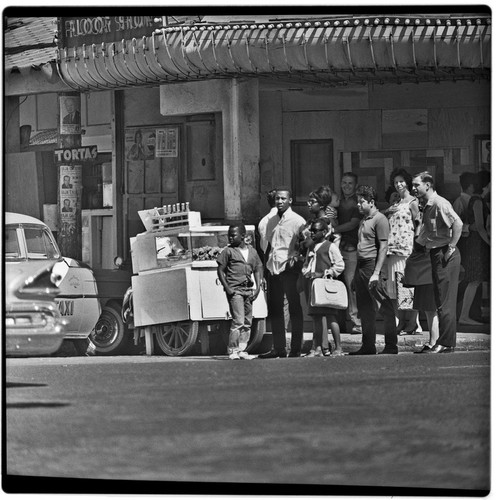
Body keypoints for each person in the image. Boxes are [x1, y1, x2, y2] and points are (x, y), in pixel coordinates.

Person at [412, 171, 463, 353]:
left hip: (445, 253)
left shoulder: (440, 203)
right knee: (440, 300)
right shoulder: (426, 205)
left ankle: (446, 343)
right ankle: (444, 342)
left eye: (416, 185)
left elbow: (458, 224)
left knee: (444, 302)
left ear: (427, 185)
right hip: (435, 252)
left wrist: (451, 248)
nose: (414, 188)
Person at [348, 185, 397, 355]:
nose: (358, 205)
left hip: (372, 265)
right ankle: (368, 345)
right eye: (358, 202)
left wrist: (376, 273)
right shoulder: (364, 220)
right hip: (361, 266)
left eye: (362, 202)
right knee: (365, 308)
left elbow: (383, 247)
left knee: (385, 306)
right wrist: (356, 275)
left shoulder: (380, 219)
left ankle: (391, 345)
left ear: (371, 202)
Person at [259, 187, 306, 358]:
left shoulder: (297, 221)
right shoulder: (270, 221)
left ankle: (296, 348)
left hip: (289, 269)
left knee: (294, 308)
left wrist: (297, 260)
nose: (279, 202)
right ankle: (279, 348)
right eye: (277, 199)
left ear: (290, 201)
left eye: (283, 199)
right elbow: (269, 246)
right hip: (274, 269)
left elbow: (304, 244)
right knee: (276, 310)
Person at [217, 224, 263, 360]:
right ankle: (232, 349)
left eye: (233, 235)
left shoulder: (252, 252)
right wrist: (227, 287)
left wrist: (258, 286)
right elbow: (220, 270)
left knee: (248, 321)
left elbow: (257, 268)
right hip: (235, 290)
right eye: (229, 235)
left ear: (243, 236)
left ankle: (242, 348)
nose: (230, 238)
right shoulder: (228, 251)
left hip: (248, 290)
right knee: (238, 321)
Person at [383, 168, 421, 336]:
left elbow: (418, 223)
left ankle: (412, 323)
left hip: (407, 250)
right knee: (394, 290)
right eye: (396, 182)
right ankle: (401, 322)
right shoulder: (395, 204)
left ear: (407, 182)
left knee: (408, 289)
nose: (398, 184)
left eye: (401, 181)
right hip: (393, 250)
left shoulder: (413, 202)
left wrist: (418, 245)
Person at [302, 218, 345, 357]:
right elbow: (307, 263)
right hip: (314, 286)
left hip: (325, 286)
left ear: (325, 232)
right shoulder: (311, 246)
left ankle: (338, 347)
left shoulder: (330, 246)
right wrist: (307, 271)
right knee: (316, 317)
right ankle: (318, 348)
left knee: (331, 316)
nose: (312, 233)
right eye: (311, 230)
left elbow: (339, 265)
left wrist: (326, 273)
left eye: (315, 231)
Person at [329, 172, 362, 334]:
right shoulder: (337, 202)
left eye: (350, 183)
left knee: (351, 286)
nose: (346, 186)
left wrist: (333, 229)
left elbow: (352, 224)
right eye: (344, 183)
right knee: (336, 285)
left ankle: (356, 322)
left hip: (351, 248)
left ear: (355, 185)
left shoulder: (357, 203)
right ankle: (338, 322)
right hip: (336, 248)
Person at [458, 170, 490, 325]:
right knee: (474, 280)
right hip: (477, 245)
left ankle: (466, 315)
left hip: (477, 244)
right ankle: (464, 316)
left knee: (475, 280)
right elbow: (479, 226)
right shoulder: (477, 201)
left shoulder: (477, 199)